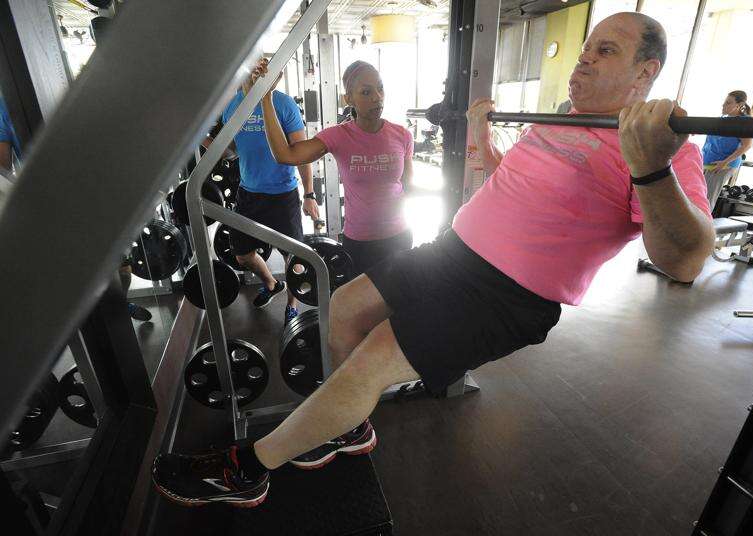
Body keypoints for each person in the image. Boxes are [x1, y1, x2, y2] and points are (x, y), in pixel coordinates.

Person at [152, 12, 715, 508]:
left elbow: (684, 261)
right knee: (342, 309)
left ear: (645, 72)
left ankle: (245, 471)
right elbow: (516, 182)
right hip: (451, 252)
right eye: (587, 47)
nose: (584, 58)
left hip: (505, 295)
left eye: (606, 50)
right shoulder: (563, 117)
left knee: (374, 358)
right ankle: (349, 424)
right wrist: (481, 135)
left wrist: (651, 168)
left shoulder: (669, 150)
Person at [260, 60, 414, 275]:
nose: (377, 97)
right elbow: (285, 155)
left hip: (399, 238)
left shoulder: (402, 135)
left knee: (399, 295)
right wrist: (266, 97)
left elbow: (408, 187)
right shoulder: (339, 135)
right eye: (366, 92)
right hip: (359, 243)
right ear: (348, 99)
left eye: (380, 88)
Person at [208, 56, 320, 324]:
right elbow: (231, 152)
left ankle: (292, 306)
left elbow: (300, 153)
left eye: (260, 70)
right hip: (248, 193)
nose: (254, 75)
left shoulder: (284, 104)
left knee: (295, 259)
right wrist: (198, 136)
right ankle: (272, 284)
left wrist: (309, 194)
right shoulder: (233, 107)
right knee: (241, 255)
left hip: (283, 195)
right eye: (250, 71)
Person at [701, 90, 753, 208]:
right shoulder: (723, 120)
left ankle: (704, 220)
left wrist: (725, 162)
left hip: (723, 165)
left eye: (728, 103)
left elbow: (747, 145)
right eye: (724, 102)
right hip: (708, 163)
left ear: (739, 105)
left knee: (707, 199)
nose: (723, 105)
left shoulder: (744, 122)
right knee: (699, 196)